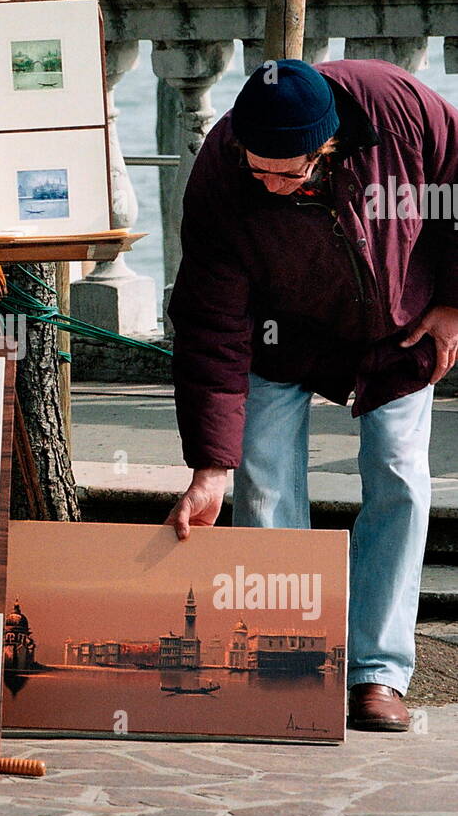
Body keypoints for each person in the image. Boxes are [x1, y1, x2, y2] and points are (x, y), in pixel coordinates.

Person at [165, 58, 458, 731]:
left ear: (328, 147)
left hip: (397, 328)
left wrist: (453, 303)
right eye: (256, 168)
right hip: (280, 338)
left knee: (400, 479)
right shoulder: (221, 172)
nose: (269, 185)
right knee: (262, 484)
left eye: (287, 173)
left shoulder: (398, 107)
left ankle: (377, 674)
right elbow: (211, 323)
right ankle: (288, 663)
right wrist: (211, 466)